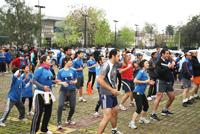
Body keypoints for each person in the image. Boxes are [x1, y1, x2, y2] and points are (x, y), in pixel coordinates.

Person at [97, 49, 122, 134]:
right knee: (107, 116)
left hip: (113, 93)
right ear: (113, 56)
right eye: (118, 56)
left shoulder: (115, 64)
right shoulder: (106, 65)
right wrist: (112, 90)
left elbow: (125, 64)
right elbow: (99, 80)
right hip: (106, 93)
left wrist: (126, 56)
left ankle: (114, 130)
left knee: (115, 112)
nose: (120, 57)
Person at [30, 55, 55, 134]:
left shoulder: (49, 70)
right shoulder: (40, 69)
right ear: (44, 61)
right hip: (40, 94)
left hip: (48, 94)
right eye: (48, 59)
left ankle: (44, 129)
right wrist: (42, 87)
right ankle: (33, 131)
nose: (50, 60)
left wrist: (56, 82)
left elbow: (50, 80)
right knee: (38, 113)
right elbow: (33, 80)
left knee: (48, 112)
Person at [150, 49, 175, 121]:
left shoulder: (167, 61)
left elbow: (169, 70)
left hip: (168, 82)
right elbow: (159, 72)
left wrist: (172, 67)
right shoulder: (158, 62)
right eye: (167, 53)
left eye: (169, 53)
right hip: (161, 81)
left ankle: (165, 110)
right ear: (162, 54)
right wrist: (168, 67)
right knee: (159, 98)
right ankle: (153, 114)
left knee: (172, 97)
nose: (168, 55)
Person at [129, 60, 154, 129]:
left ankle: (142, 119)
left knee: (146, 106)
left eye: (148, 63)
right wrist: (145, 81)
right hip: (137, 92)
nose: (148, 64)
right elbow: (135, 80)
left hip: (142, 93)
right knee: (139, 108)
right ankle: (132, 122)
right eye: (146, 63)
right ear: (143, 65)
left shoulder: (146, 72)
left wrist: (149, 83)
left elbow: (146, 82)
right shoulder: (141, 71)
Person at [56, 57, 77, 129]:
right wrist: (62, 83)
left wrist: (74, 82)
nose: (71, 62)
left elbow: (76, 80)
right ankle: (59, 122)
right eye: (70, 61)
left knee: (73, 107)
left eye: (72, 61)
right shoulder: (60, 71)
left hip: (72, 90)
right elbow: (58, 81)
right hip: (63, 90)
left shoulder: (74, 70)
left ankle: (69, 119)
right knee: (60, 105)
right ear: (65, 62)